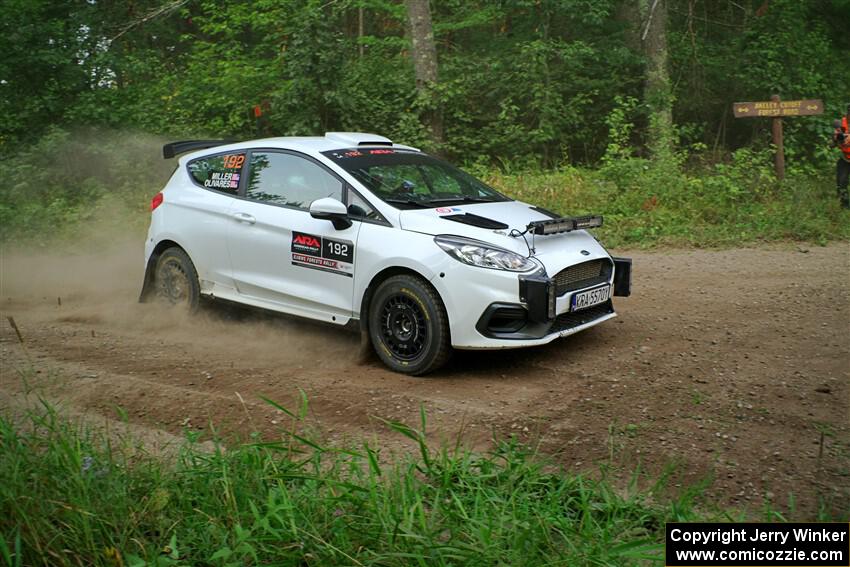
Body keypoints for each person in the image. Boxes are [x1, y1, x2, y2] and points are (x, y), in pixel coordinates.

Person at [833, 104, 850, 209]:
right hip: (845, 157)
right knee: (841, 181)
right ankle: (844, 206)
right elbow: (835, 141)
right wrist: (835, 138)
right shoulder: (841, 124)